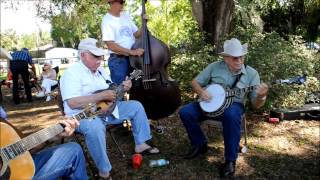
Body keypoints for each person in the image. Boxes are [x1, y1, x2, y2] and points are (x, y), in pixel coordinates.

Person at [60, 38, 159, 179]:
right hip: (82, 116)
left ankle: (141, 144)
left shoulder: (101, 71)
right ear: (82, 55)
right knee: (95, 128)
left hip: (108, 110)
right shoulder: (71, 73)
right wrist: (100, 96)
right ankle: (104, 172)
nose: (99, 60)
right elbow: (73, 103)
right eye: (95, 56)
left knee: (136, 106)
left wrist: (123, 89)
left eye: (100, 56)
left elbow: (112, 94)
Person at [178, 38, 269, 178]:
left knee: (231, 115)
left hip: (234, 105)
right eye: (234, 57)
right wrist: (202, 92)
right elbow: (195, 82)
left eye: (241, 56)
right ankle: (199, 144)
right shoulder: (214, 66)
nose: (239, 60)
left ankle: (230, 160)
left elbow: (255, 105)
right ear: (226, 58)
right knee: (185, 112)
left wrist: (261, 97)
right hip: (209, 103)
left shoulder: (252, 74)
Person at [0, 117, 88, 180]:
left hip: (17, 168)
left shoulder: (2, 124)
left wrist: (54, 136)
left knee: (73, 150)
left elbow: (25, 148)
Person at [101, 0, 145, 85]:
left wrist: (144, 23)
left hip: (133, 59)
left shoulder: (125, 16)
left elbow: (137, 34)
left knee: (136, 86)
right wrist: (132, 52)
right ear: (112, 3)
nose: (123, 4)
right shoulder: (106, 20)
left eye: (123, 2)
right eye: (121, 2)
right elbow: (111, 46)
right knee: (119, 90)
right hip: (118, 61)